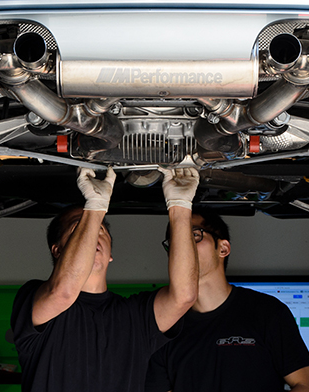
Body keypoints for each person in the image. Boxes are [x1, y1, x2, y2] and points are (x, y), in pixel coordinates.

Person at [11, 165, 200, 392]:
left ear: (110, 254)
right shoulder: (33, 297)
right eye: (78, 229)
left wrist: (180, 207)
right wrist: (94, 206)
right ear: (58, 251)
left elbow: (184, 296)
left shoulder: (136, 318)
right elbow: (63, 293)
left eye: (101, 230)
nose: (94, 236)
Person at [145, 209, 309, 392]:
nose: (182, 247)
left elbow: (307, 386)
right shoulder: (163, 325)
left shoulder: (268, 312)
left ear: (223, 248)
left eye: (195, 235)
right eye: (175, 240)